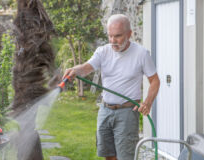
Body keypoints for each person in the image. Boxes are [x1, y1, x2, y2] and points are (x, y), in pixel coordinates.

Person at [62, 14, 160, 160]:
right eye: (110, 36)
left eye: (118, 36)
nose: (113, 41)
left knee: (125, 157)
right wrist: (75, 70)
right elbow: (87, 67)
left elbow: (155, 81)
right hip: (105, 110)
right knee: (108, 155)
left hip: (126, 112)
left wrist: (148, 102)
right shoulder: (103, 51)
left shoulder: (141, 54)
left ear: (129, 34)